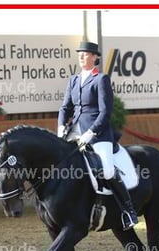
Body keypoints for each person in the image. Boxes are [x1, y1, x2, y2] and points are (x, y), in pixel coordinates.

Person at [58, 41, 138, 230]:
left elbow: (105, 112)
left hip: (98, 134)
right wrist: (61, 126)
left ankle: (128, 211)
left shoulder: (101, 79)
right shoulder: (73, 80)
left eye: (85, 54)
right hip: (74, 130)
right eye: (80, 53)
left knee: (108, 170)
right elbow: (65, 107)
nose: (81, 56)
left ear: (94, 57)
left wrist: (91, 132)